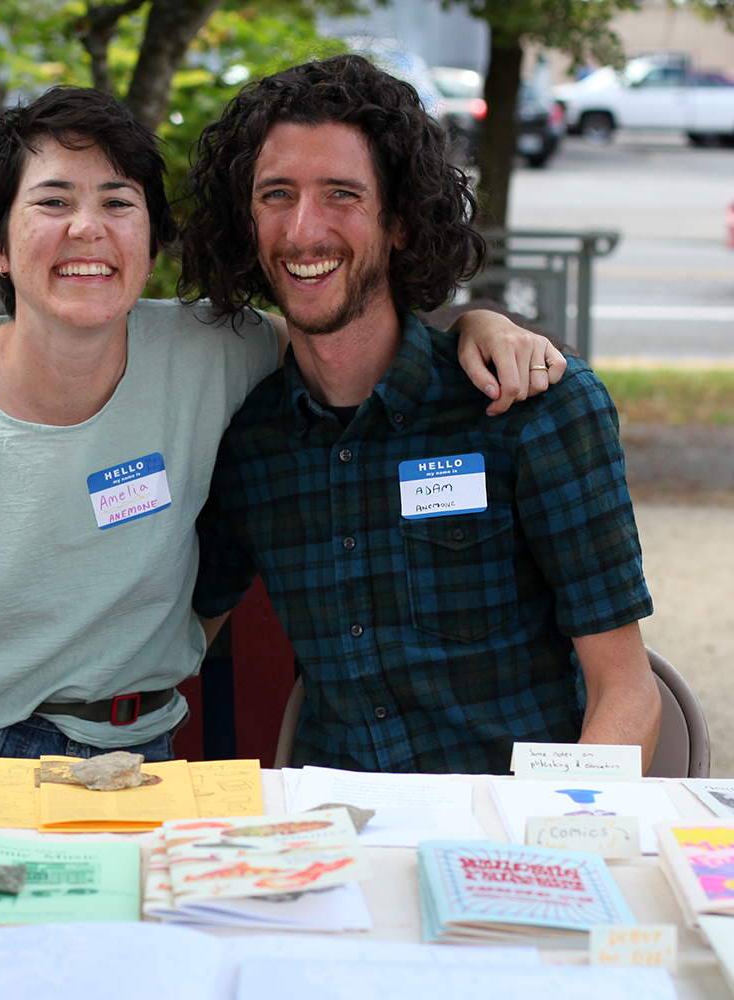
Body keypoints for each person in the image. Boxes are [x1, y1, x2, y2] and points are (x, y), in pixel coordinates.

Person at [0, 85, 563, 762]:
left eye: (118, 202)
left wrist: (478, 324)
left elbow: (356, 340)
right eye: (52, 202)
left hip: (146, 758)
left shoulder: (212, 350)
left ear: (151, 239)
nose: (88, 229)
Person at [188, 56, 662, 775]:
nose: (302, 229)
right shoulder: (251, 444)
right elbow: (173, 636)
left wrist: (557, 827)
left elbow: (626, 691)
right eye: (276, 195)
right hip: (336, 827)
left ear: (402, 221)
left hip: (510, 819)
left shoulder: (532, 410)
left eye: (341, 194)